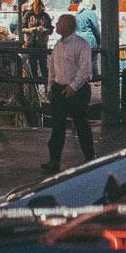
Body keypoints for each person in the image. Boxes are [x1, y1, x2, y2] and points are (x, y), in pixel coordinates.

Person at [41, 12, 94, 171]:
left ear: (68, 26)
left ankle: (89, 157)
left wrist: (73, 87)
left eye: (58, 23)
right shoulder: (58, 45)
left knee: (81, 124)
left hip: (76, 91)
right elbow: (52, 68)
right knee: (57, 126)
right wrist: (50, 87)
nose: (56, 25)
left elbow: (85, 70)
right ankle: (54, 159)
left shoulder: (81, 45)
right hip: (60, 88)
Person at [22, 0, 53, 87]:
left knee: (44, 66)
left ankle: (47, 88)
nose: (38, 11)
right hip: (31, 44)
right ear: (33, 7)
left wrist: (44, 30)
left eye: (39, 9)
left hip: (42, 44)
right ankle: (34, 89)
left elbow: (51, 30)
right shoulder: (28, 15)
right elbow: (22, 29)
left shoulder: (46, 16)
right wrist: (31, 30)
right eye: (36, 9)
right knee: (33, 66)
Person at [73, 0, 101, 80]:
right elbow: (96, 29)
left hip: (78, 41)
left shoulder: (78, 14)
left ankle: (81, 79)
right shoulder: (91, 13)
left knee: (80, 62)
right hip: (90, 41)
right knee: (93, 60)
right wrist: (99, 41)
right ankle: (95, 79)